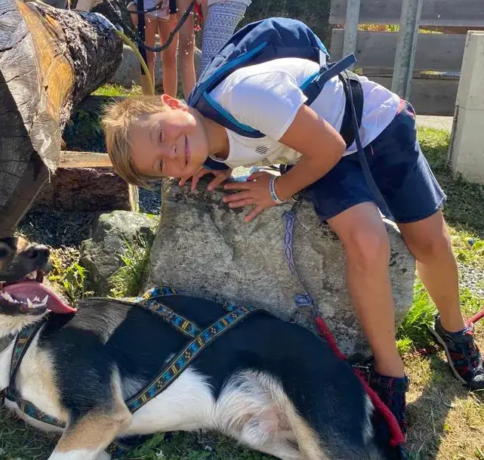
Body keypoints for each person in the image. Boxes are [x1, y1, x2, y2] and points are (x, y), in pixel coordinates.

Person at [100, 54, 484, 434]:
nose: (173, 153)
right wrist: (217, 164)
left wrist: (276, 189)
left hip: (371, 123)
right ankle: (389, 370)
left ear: (172, 102)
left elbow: (329, 146)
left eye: (162, 136)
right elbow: (268, 147)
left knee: (428, 242)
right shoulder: (205, 150)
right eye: (163, 165)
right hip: (320, 158)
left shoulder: (244, 94)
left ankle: (453, 331)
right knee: (367, 241)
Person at [128, 0, 179, 97]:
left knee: (170, 58)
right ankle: (148, 103)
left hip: (169, 6)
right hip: (145, 5)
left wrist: (174, 7)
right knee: (147, 58)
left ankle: (171, 104)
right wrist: (130, 5)